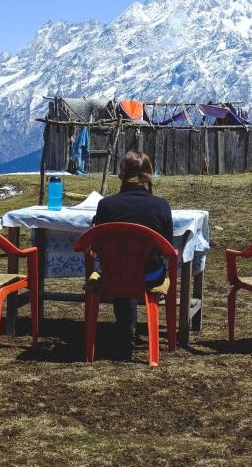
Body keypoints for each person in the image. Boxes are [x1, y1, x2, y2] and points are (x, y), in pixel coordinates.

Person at [92, 150, 174, 360]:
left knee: (122, 268)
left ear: (121, 174)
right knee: (136, 268)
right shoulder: (161, 206)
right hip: (149, 275)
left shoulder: (106, 205)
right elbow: (167, 248)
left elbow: (96, 242)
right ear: (149, 175)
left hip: (113, 274)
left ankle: (124, 334)